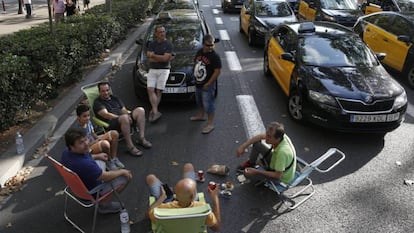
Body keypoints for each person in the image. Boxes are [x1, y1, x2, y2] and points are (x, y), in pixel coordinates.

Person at [61, 128, 132, 214]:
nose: (86, 144)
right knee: (126, 177)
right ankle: (104, 204)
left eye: (86, 139)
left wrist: (97, 156)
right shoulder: (84, 164)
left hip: (77, 186)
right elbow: (105, 177)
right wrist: (122, 172)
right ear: (72, 146)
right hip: (92, 191)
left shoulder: (66, 152)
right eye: (81, 143)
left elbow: (86, 158)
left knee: (101, 160)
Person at [146, 163, 221, 232]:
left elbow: (148, 215)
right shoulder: (203, 209)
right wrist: (215, 198)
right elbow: (216, 228)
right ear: (193, 196)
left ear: (175, 195)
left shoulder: (163, 209)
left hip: (168, 218)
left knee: (150, 178)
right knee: (188, 166)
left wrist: (162, 197)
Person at [93, 81, 152, 157]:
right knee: (124, 118)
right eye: (103, 91)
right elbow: (106, 114)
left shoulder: (115, 98)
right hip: (111, 123)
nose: (106, 93)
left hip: (124, 118)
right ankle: (130, 146)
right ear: (99, 92)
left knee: (140, 110)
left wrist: (128, 116)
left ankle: (141, 138)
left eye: (107, 90)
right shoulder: (98, 102)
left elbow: (123, 109)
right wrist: (123, 117)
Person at [75, 104, 124, 171]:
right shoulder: (78, 131)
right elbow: (84, 147)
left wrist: (98, 138)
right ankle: (109, 162)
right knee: (105, 144)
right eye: (84, 116)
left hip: (94, 141)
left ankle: (114, 158)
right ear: (78, 117)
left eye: (88, 115)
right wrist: (97, 141)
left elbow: (93, 133)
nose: (87, 118)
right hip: (88, 148)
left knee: (114, 134)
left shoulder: (88, 122)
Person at [191, 34, 222, 134]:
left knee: (208, 104)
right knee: (199, 101)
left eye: (212, 45)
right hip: (198, 83)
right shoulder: (199, 52)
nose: (210, 47)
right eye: (208, 45)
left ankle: (210, 124)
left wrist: (209, 83)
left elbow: (217, 71)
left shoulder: (214, 56)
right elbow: (196, 63)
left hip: (207, 85)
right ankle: (201, 115)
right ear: (203, 44)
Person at [146, 25, 174, 123]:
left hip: (164, 69)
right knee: (150, 89)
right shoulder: (152, 44)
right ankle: (155, 111)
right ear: (156, 34)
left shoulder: (169, 44)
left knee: (158, 91)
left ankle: (153, 111)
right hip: (153, 69)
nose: (162, 33)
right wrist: (159, 57)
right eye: (160, 32)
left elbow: (165, 59)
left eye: (163, 31)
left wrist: (153, 56)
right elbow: (149, 58)